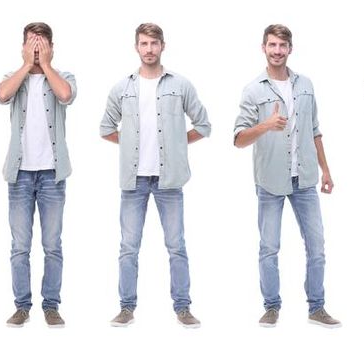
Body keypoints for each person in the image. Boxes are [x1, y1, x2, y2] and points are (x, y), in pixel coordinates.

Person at [99, 22, 212, 329]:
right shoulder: (122, 88)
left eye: (154, 43)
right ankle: (126, 307)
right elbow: (106, 128)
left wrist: (175, 144)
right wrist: (131, 145)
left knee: (176, 245)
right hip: (133, 180)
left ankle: (183, 307)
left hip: (169, 180)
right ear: (136, 47)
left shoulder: (181, 85)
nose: (149, 49)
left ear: (163, 46)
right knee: (128, 247)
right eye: (144, 44)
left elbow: (203, 125)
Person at [232, 24, 340, 328]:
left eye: (282, 45)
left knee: (317, 246)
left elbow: (315, 130)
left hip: (304, 179)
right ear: (263, 48)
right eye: (272, 45)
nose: (277, 51)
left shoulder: (305, 84)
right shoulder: (253, 89)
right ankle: (271, 306)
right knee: (269, 247)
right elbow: (239, 139)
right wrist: (266, 125)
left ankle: (317, 307)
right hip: (270, 180)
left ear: (290, 48)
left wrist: (326, 170)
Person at [0, 22, 77, 328]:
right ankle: (22, 306)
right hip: (20, 174)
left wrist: (46, 64)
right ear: (23, 46)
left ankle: (51, 305)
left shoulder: (64, 77)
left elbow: (66, 95)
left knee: (52, 244)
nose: (37, 48)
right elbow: (1, 95)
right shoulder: (13, 79)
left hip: (53, 174)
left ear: (52, 47)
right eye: (31, 42)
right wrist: (27, 64)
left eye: (42, 43)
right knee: (20, 246)